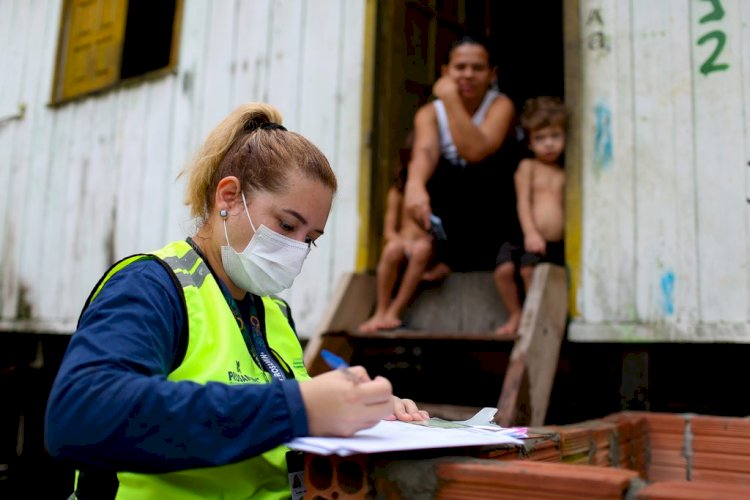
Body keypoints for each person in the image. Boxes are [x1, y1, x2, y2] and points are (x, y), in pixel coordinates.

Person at [44, 103, 428, 500]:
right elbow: (81, 415)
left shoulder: (273, 312)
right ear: (227, 197)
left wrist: (358, 412)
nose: (297, 249)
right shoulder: (152, 288)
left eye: (310, 238)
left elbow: (275, 416)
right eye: (286, 224)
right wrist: (299, 406)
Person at [404, 34, 522, 281]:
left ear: (492, 74)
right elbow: (425, 152)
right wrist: (414, 186)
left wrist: (450, 97)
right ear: (446, 71)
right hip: (452, 206)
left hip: (493, 202)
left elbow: (476, 151)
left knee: (482, 172)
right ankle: (446, 257)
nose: (468, 74)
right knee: (436, 175)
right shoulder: (429, 113)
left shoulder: (501, 105)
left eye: (477, 68)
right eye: (460, 67)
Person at [494, 96, 568, 335]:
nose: (548, 144)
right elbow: (523, 202)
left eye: (555, 137)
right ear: (529, 143)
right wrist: (531, 233)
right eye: (540, 138)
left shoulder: (565, 171)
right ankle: (519, 313)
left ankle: (536, 317)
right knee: (507, 271)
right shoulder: (528, 167)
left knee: (535, 272)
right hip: (529, 235)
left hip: (555, 241)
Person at [359, 134, 440, 332]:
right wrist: (403, 243)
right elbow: (389, 231)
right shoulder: (398, 192)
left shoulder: (434, 192)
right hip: (403, 244)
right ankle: (381, 310)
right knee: (392, 249)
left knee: (422, 249)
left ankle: (395, 311)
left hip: (425, 248)